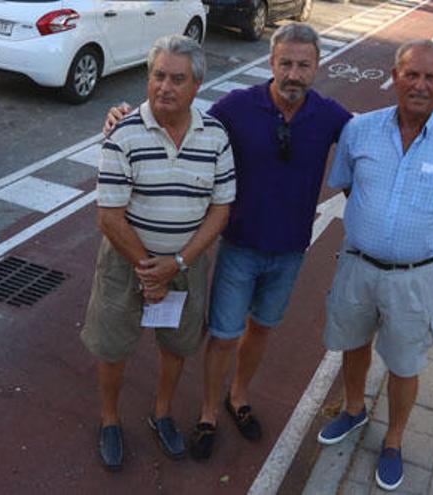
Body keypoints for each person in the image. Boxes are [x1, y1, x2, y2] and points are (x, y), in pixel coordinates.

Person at [105, 22, 352, 460]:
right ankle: (207, 414)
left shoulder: (331, 116)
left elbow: (377, 132)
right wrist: (123, 113)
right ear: (272, 63)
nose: (293, 74)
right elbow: (181, 116)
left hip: (292, 249)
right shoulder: (237, 106)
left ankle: (237, 397)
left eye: (303, 65)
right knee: (222, 334)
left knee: (262, 328)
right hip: (238, 245)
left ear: (316, 67)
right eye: (285, 63)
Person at [317, 39, 433, 491]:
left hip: (416, 278)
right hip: (358, 266)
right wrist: (377, 232)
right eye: (410, 74)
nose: (419, 84)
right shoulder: (360, 130)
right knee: (353, 344)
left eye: (431, 77)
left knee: (405, 362)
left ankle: (393, 438)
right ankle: (353, 410)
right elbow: (349, 186)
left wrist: (419, 240)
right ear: (395, 77)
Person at [80, 34, 235, 471]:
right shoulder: (122, 134)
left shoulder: (216, 136)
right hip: (126, 263)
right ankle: (110, 419)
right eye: (157, 76)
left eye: (177, 79)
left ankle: (161, 412)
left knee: (176, 345)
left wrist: (178, 264)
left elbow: (221, 209)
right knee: (113, 347)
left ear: (197, 86)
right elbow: (108, 217)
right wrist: (151, 271)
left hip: (184, 263)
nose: (165, 87)